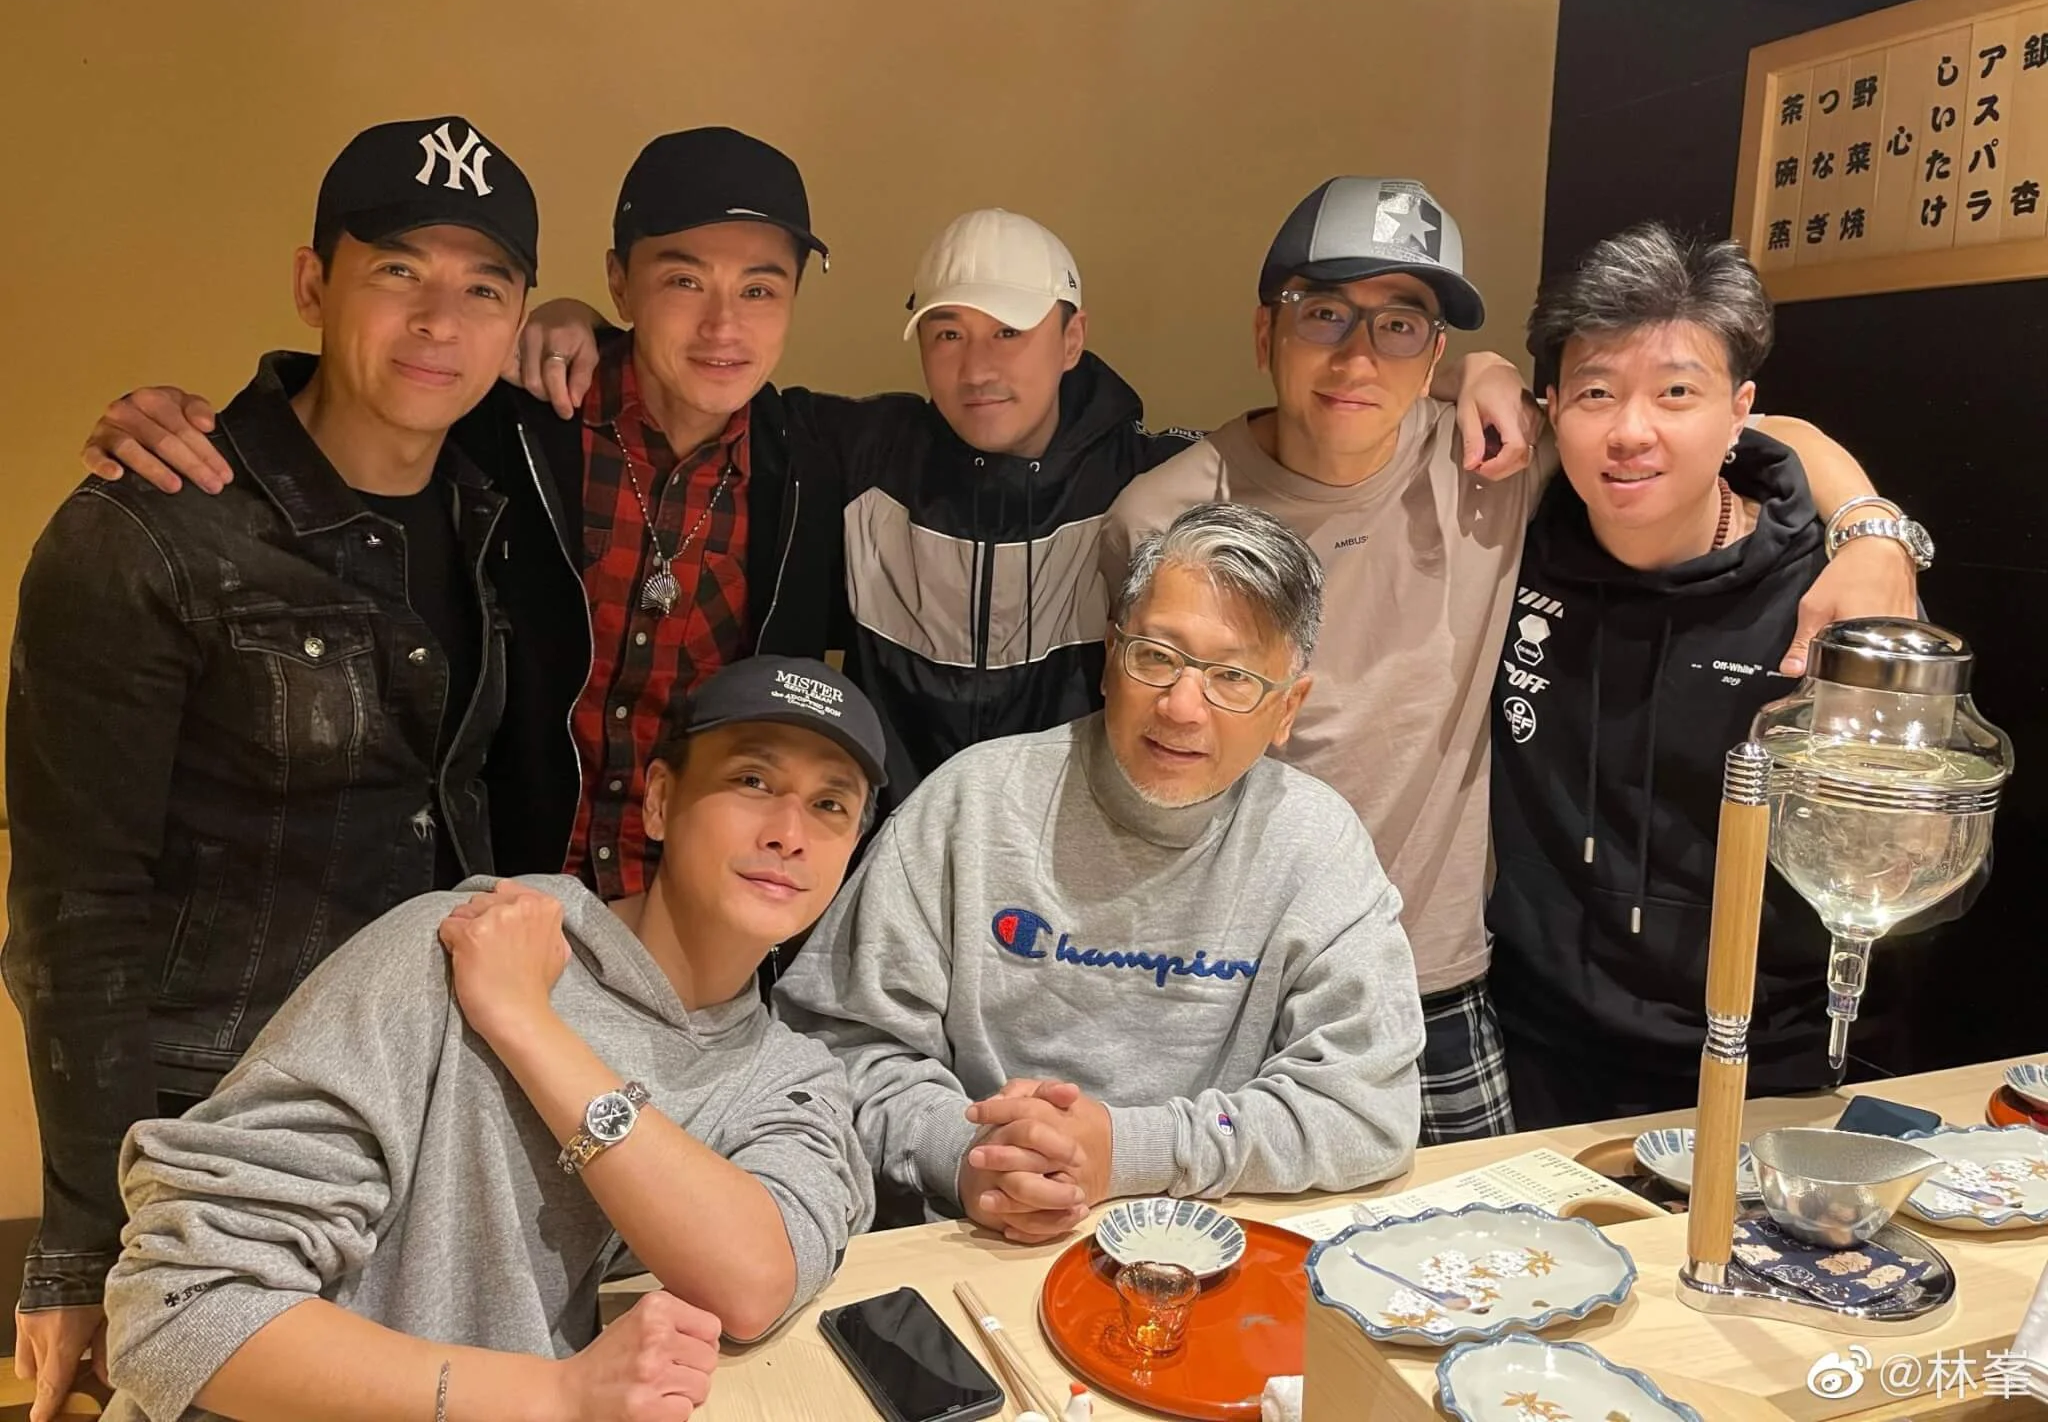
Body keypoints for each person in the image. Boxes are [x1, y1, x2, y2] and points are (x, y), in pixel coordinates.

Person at [1102, 177, 1918, 1146]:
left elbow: (1745, 431)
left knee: (1466, 1235)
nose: (1357, 354)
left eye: (1400, 326)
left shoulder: (1491, 469)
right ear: (1263, 331)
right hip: (1218, 976)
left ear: (1432, 352)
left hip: (1440, 985)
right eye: (1322, 313)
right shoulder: (1162, 519)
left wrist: (1874, 530)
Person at [4, 115, 580, 1422]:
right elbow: (72, 909)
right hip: (220, 1146)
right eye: (397, 272)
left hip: (426, 1115)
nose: (438, 321)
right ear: (314, 283)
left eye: (482, 289)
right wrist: (82, 1243)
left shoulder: (494, 506)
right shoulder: (148, 532)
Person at [508, 206, 1534, 817]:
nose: (978, 365)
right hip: (881, 869)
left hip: (1068, 878)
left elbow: (1318, 414)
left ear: (1071, 337)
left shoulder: (1148, 481)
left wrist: (1469, 371)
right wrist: (583, 323)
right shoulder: (852, 453)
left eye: (1009, 331)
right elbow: (705, 378)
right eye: (947, 333)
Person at [97, 656, 882, 1422]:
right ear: (660, 801)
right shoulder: (461, 943)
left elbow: (753, 1285)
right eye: (753, 781)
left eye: (830, 805)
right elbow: (177, 1311)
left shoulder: (787, 1076)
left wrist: (527, 1027)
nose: (789, 833)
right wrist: (552, 1397)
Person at [77, 126, 848, 903]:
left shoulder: (819, 465)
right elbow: (355, 407)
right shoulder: (506, 421)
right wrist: (196, 428)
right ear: (620, 283)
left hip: (690, 927)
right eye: (683, 281)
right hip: (490, 910)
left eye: (759, 290)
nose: (723, 326)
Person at [774, 502, 1425, 1241]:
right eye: (1157, 656)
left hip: (1209, 1247)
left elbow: (1367, 1109)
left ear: (1287, 710)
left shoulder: (1316, 845)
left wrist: (1127, 1150)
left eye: (1233, 677)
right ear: (1111, 657)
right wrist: (971, 1154)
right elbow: (831, 1046)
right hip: (976, 1241)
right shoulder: (971, 804)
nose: (1183, 707)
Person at [1486, 225, 1945, 1126]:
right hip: (1536, 1048)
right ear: (1551, 408)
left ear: (1740, 413)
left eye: (1676, 393)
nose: (1631, 432)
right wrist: (1475, 369)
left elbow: (1914, 862)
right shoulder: (1507, 542)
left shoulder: (1831, 597)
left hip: (1776, 1062)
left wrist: (1874, 528)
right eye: (1596, 393)